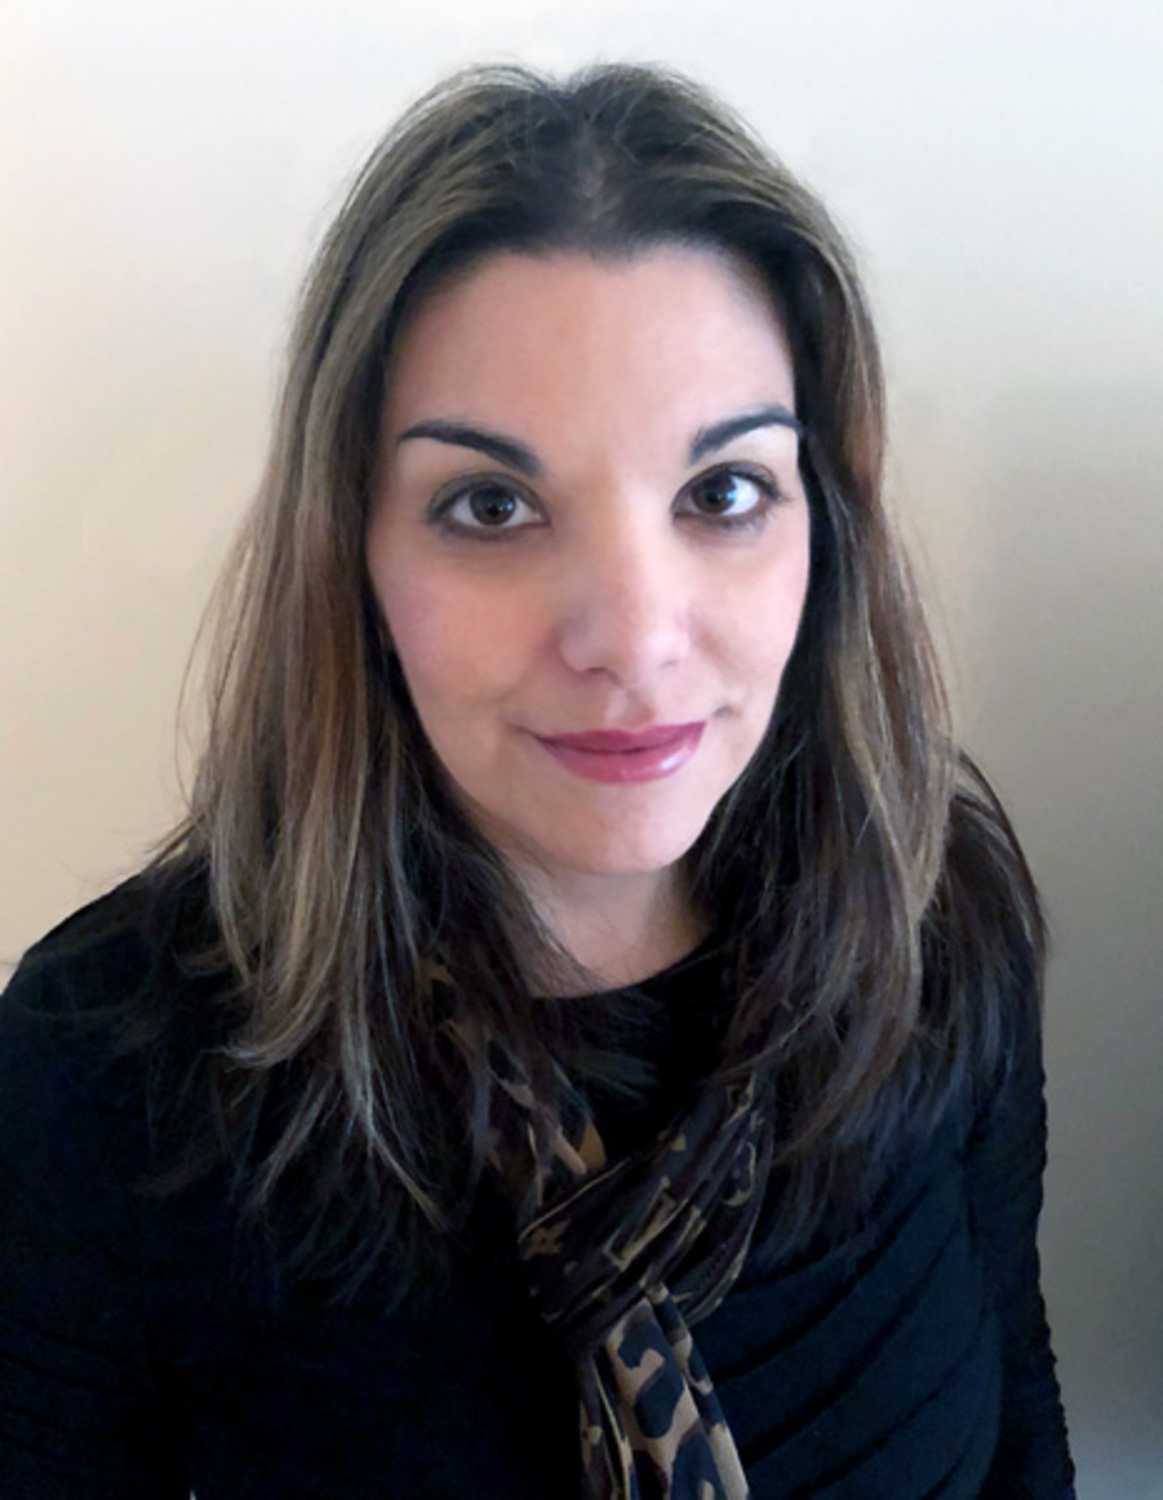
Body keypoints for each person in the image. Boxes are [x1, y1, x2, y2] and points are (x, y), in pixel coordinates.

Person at [0, 62, 1075, 1499]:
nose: (632, 638)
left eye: (723, 493)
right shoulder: (108, 1072)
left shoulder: (934, 920)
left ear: (823, 528)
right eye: (493, 505)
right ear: (355, 557)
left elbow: (1020, 1436)